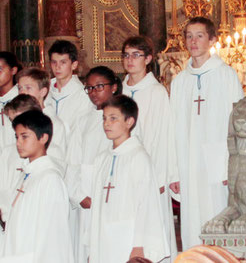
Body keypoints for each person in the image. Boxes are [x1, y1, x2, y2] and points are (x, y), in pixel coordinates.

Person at [168, 16, 244, 250]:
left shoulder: (226, 75)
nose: (193, 41)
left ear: (212, 39)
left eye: (199, 35)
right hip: (188, 160)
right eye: (189, 36)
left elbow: (238, 121)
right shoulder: (179, 81)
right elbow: (172, 127)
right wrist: (173, 171)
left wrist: (231, 165)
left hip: (217, 162)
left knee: (218, 216)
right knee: (192, 222)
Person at [87, 95, 172, 263]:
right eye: (104, 118)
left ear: (129, 121)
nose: (106, 124)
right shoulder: (102, 159)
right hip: (102, 238)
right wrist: (93, 246)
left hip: (128, 240)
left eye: (113, 118)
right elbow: (96, 206)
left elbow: (146, 204)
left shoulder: (138, 157)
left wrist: (139, 246)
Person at [2, 109, 73, 263]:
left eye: (24, 137)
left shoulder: (50, 179)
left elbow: (53, 235)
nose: (18, 143)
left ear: (43, 138)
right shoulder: (27, 174)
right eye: (17, 137)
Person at [67, 66, 120, 263]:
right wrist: (79, 195)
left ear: (113, 87)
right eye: (89, 88)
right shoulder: (83, 121)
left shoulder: (125, 117)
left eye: (99, 86)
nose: (93, 93)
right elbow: (71, 162)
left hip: (114, 197)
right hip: (87, 196)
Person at [120, 37, 172, 195]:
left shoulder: (156, 92)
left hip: (151, 166)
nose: (130, 60)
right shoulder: (119, 91)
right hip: (123, 166)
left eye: (136, 55)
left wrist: (160, 176)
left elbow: (164, 135)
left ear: (148, 59)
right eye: (126, 55)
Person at [0, 94, 41, 213]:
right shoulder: (8, 152)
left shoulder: (48, 151)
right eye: (12, 121)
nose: (15, 126)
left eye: (19, 120)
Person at [15, 67, 68, 162]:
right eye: (20, 88)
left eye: (28, 88)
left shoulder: (54, 123)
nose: (22, 92)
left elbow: (56, 159)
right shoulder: (17, 119)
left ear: (43, 92)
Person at [46, 40, 92, 131]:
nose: (57, 67)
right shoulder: (45, 90)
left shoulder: (82, 95)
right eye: (54, 62)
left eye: (63, 62)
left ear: (74, 65)